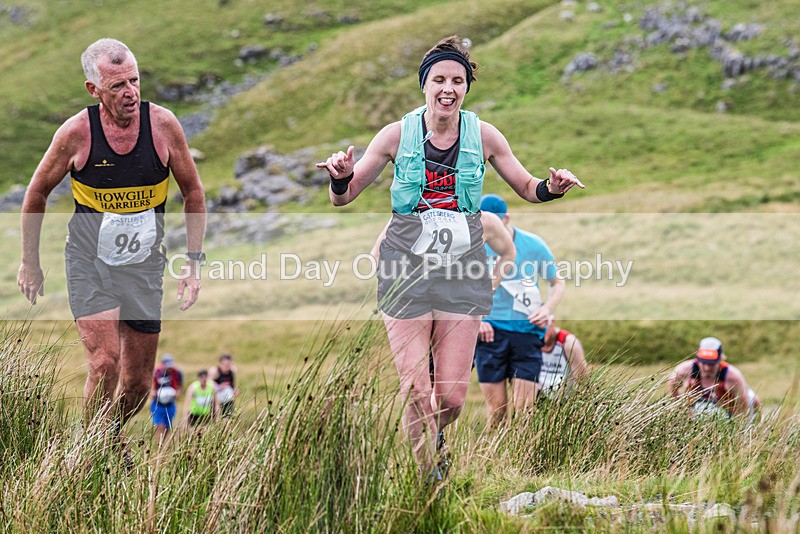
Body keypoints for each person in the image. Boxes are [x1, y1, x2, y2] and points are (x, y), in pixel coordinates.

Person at [316, 35, 583, 477]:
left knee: (452, 400)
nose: (448, 88)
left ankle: (430, 436)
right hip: (405, 269)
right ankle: (427, 478)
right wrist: (341, 178)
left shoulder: (485, 135)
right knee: (417, 390)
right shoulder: (395, 135)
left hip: (462, 272)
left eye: (457, 80)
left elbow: (527, 187)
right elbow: (342, 197)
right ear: (424, 86)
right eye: (439, 79)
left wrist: (552, 188)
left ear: (465, 88)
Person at [16, 38, 206, 429]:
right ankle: (90, 453)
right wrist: (29, 262)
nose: (130, 92)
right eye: (118, 85)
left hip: (144, 267)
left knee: (136, 385)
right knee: (104, 362)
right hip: (90, 263)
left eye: (134, 81)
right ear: (94, 89)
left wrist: (193, 262)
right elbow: (35, 193)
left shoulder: (163, 127)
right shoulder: (76, 134)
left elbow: (194, 192)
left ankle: (107, 436)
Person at [474, 194, 566, 426]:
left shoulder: (533, 245)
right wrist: (477, 320)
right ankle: (492, 459)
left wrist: (546, 309)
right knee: (497, 413)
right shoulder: (472, 246)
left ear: (507, 219)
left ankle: (524, 459)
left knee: (525, 412)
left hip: (526, 331)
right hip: (490, 333)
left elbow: (557, 282)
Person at [668, 337, 762, 418]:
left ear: (720, 360)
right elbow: (673, 388)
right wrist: (683, 411)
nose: (707, 368)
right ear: (698, 360)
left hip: (726, 412)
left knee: (754, 400)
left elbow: (742, 406)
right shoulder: (684, 370)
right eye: (704, 363)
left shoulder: (732, 376)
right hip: (697, 412)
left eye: (711, 364)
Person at [538, 317, 588, 398]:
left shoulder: (569, 342)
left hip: (564, 401)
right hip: (538, 400)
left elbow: (583, 382)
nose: (539, 333)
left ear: (552, 322)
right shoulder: (530, 341)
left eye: (542, 326)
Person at [150, 353, 183, 444]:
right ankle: (159, 446)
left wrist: (176, 393)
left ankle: (164, 445)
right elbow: (152, 389)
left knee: (167, 428)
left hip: (170, 404)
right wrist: (155, 393)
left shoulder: (176, 373)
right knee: (159, 426)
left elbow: (179, 387)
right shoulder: (156, 373)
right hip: (158, 404)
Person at [209, 354, 238, 418]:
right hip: (216, 400)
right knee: (215, 417)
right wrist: (219, 387)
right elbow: (209, 384)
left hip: (228, 400)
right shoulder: (215, 371)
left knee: (229, 417)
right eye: (224, 364)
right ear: (220, 363)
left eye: (228, 364)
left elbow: (233, 383)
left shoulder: (232, 371)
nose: (226, 366)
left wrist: (235, 389)